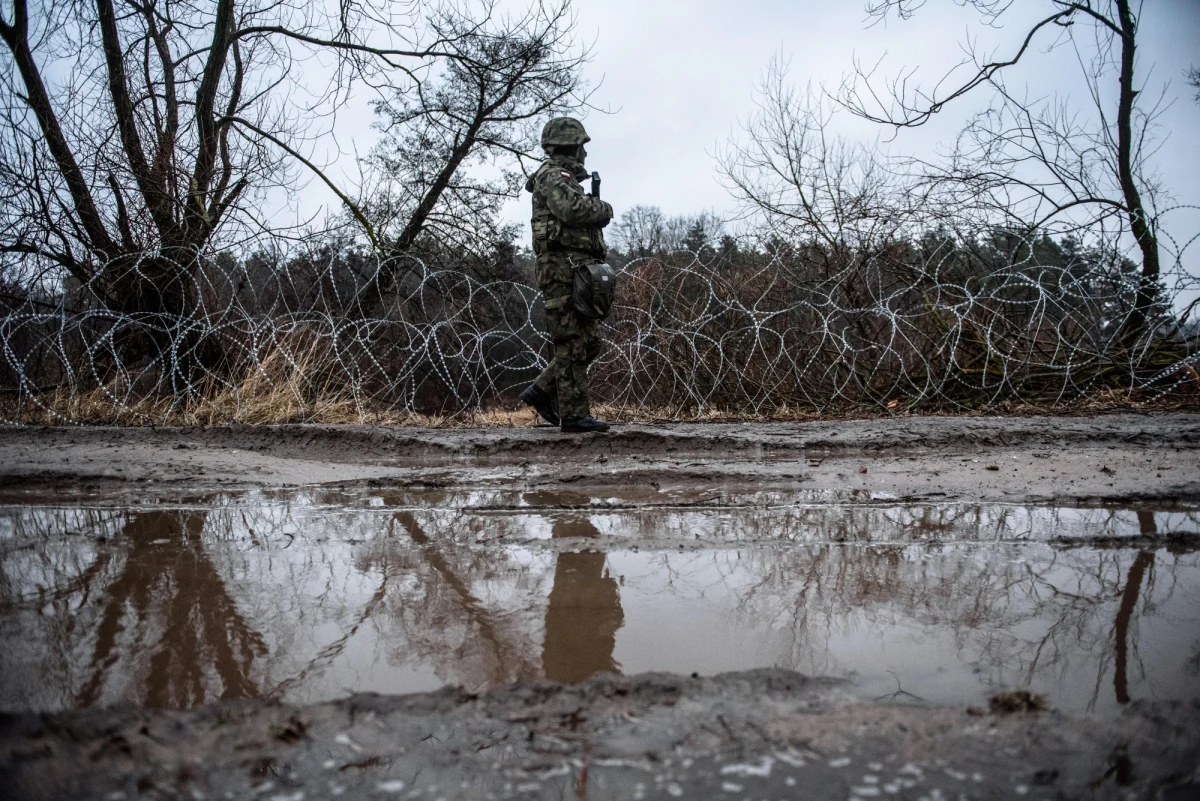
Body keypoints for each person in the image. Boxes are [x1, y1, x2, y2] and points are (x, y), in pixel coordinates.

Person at [519, 117, 614, 434]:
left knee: (588, 343)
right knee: (571, 341)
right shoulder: (554, 176)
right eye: (581, 147)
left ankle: (542, 390)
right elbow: (571, 211)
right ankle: (573, 416)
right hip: (561, 269)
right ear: (571, 148)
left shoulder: (564, 179)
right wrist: (603, 208)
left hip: (576, 268)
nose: (585, 155)